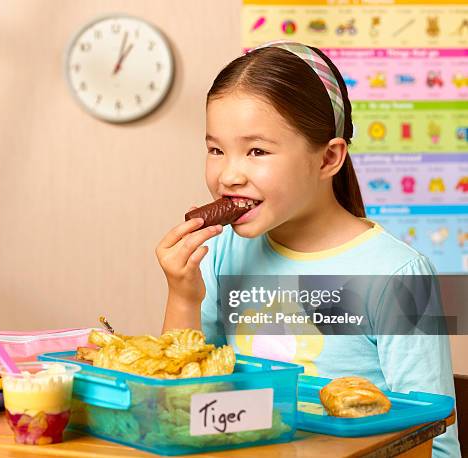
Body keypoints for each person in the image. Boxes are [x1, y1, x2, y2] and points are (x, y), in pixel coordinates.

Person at [156, 41, 459, 456]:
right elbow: (180, 409)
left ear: (327, 159)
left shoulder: (398, 273)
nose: (229, 175)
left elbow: (435, 441)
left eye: (257, 151)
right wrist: (182, 294)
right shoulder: (223, 254)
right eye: (215, 149)